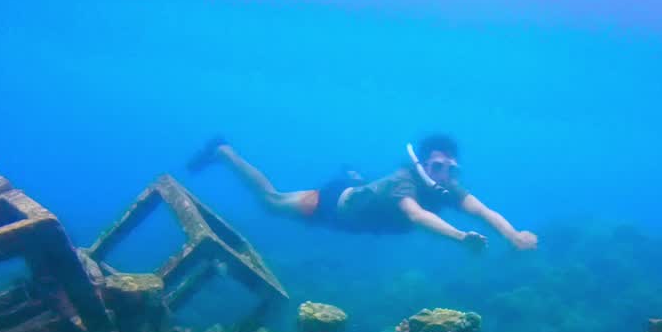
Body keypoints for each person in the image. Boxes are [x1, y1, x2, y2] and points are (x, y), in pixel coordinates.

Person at [186, 135, 538, 251]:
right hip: (333, 206)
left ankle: (357, 176)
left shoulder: (448, 187)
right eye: (437, 167)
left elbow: (483, 210)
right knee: (272, 201)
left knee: (368, 190)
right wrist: (460, 237)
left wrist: (514, 236)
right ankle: (223, 152)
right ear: (423, 166)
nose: (445, 175)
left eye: (451, 169)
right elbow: (417, 214)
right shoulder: (405, 181)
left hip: (365, 212)